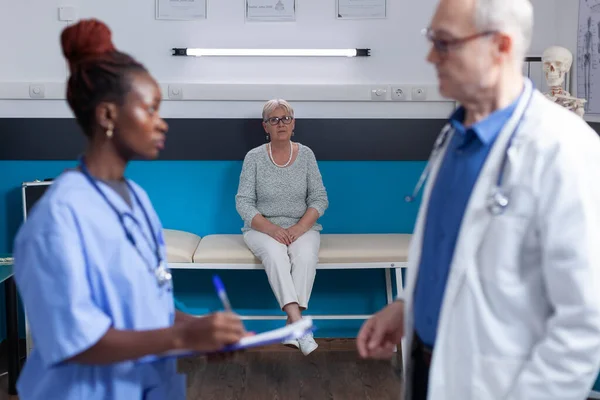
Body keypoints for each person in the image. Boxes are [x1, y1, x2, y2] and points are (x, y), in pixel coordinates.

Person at [357, 0, 600, 399]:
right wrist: (407, 306)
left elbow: (584, 323)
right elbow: (449, 252)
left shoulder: (563, 149)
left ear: (501, 46)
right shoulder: (457, 137)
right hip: (427, 369)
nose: (430, 56)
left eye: (445, 43)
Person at [12, 19, 247, 400]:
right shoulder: (58, 218)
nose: (162, 124)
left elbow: (149, 303)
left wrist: (204, 329)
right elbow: (75, 341)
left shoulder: (135, 198)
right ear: (107, 116)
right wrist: (184, 336)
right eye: (150, 110)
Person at [235, 99, 328, 356]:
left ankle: (292, 326)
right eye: (274, 120)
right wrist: (271, 229)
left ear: (293, 123)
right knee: (276, 255)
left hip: (302, 228)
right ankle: (300, 326)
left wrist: (299, 228)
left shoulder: (306, 154)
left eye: (285, 118)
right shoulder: (254, 157)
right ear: (265, 126)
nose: (281, 124)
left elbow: (319, 198)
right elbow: (243, 202)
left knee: (305, 255)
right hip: (261, 229)